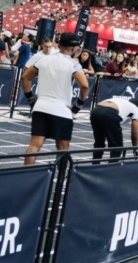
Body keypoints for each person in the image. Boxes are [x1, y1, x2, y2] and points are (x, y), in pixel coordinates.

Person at [21, 32, 89, 166]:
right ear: (74, 48)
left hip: (41, 107)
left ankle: (26, 175)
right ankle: (61, 179)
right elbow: (85, 86)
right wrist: (78, 106)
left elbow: (25, 78)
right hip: (61, 110)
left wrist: (31, 99)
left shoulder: (44, 58)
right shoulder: (73, 64)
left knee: (34, 145)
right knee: (63, 149)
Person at [89, 97, 138, 163]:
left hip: (95, 110)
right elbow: (134, 133)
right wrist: (135, 149)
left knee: (99, 143)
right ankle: (111, 169)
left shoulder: (122, 102)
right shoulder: (136, 109)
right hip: (110, 112)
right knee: (117, 147)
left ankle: (94, 167)